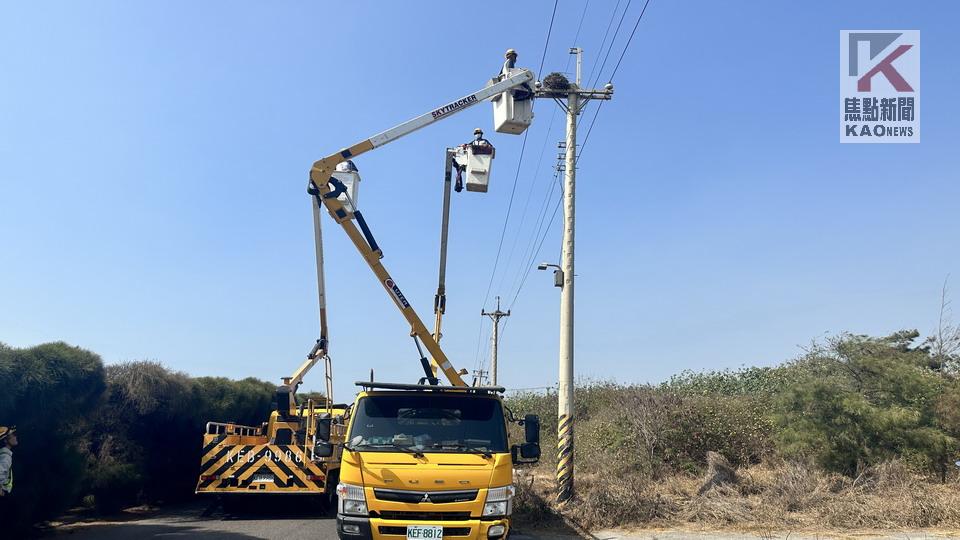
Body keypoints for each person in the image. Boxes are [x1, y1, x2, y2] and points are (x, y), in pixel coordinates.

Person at [0, 426, 16, 498]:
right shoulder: (6, 457)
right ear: (5, 440)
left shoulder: (3, 455)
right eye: (12, 435)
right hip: (4, 493)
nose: (15, 437)